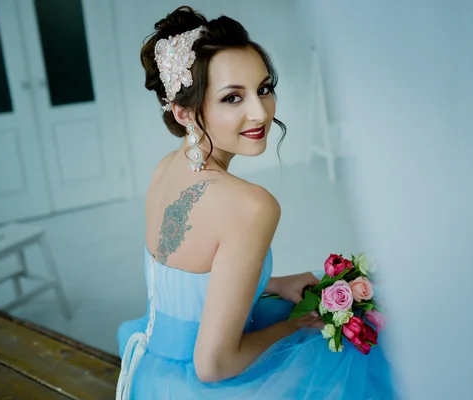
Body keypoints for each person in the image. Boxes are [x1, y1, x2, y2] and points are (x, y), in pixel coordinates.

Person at [116, 6, 399, 399]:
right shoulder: (251, 205)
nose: (260, 111)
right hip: (203, 384)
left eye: (263, 89)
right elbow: (213, 365)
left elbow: (187, 277)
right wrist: (297, 327)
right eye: (233, 97)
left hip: (154, 367)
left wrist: (275, 283)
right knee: (361, 355)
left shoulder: (166, 168)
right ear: (184, 112)